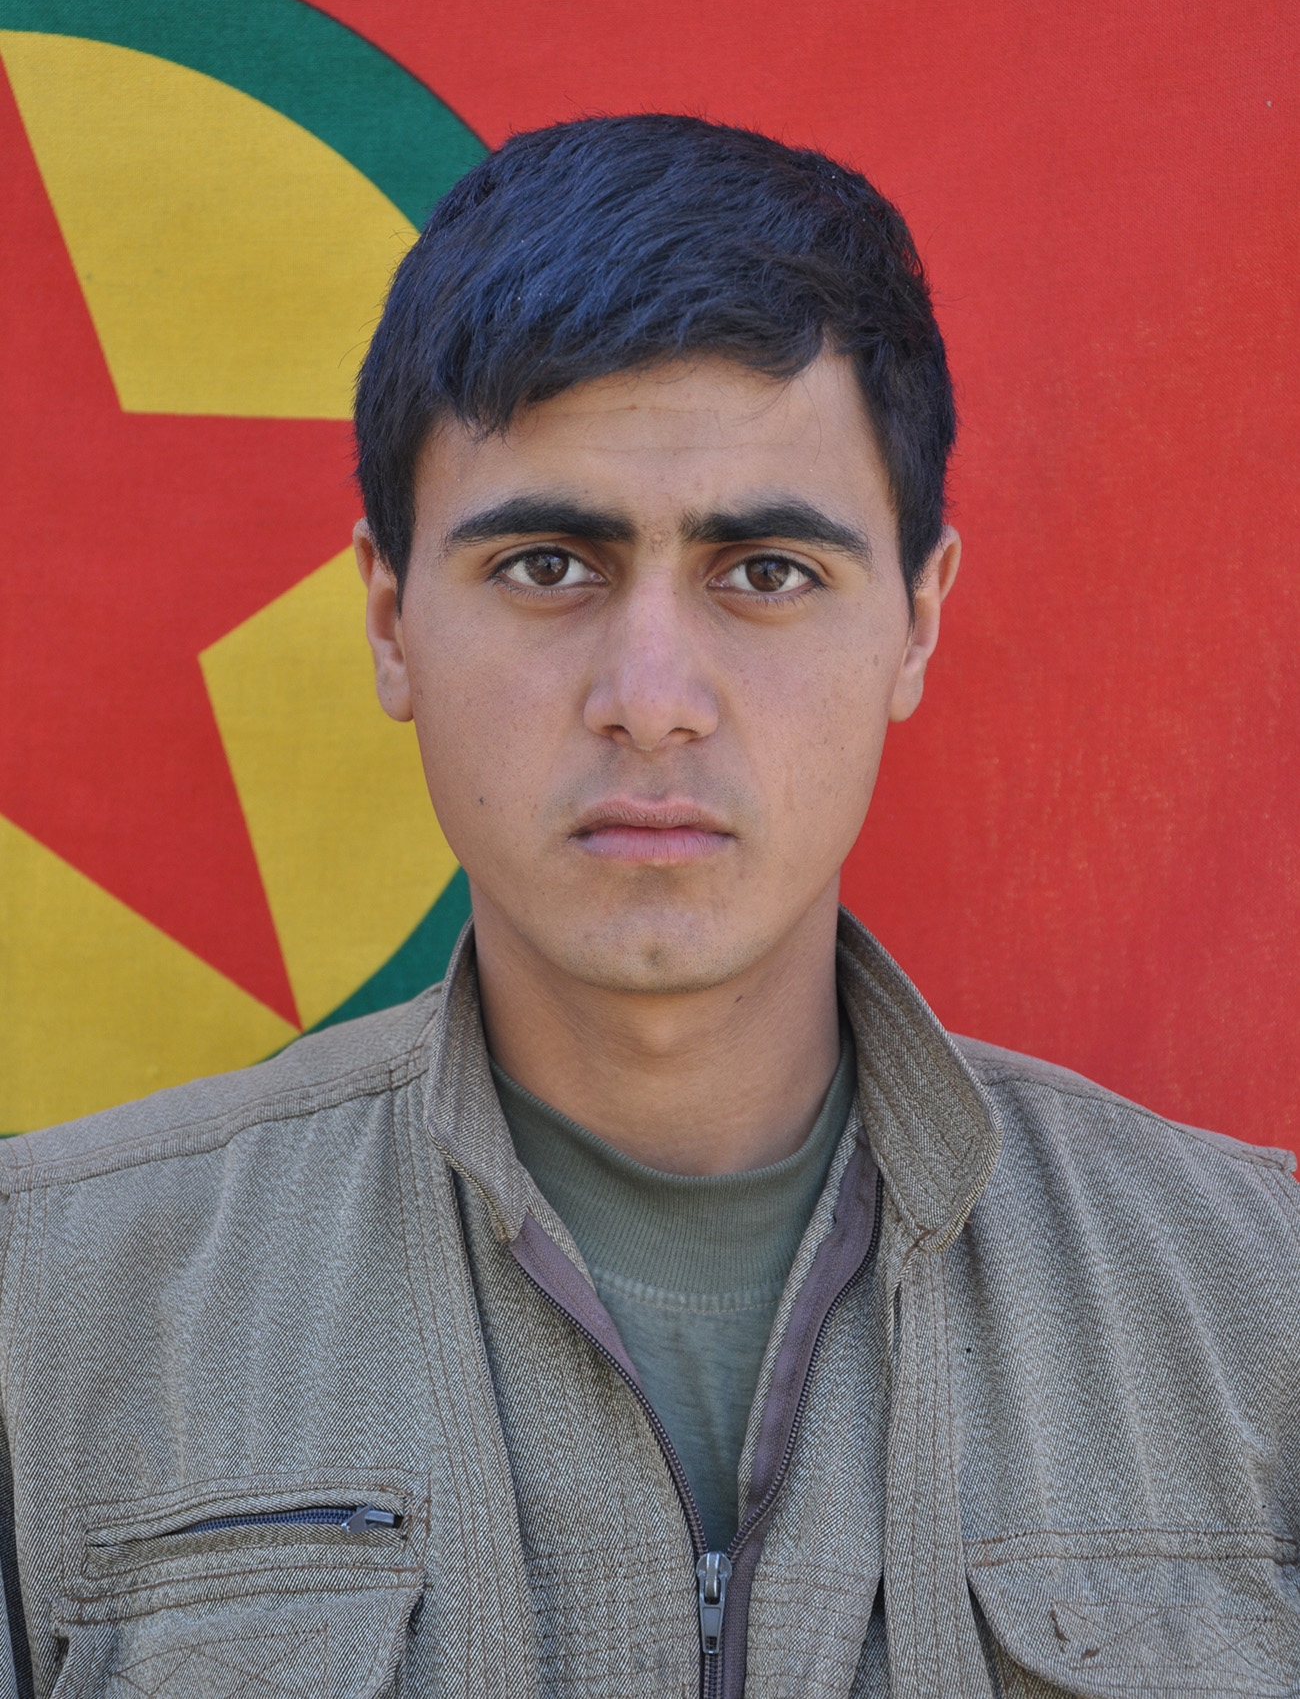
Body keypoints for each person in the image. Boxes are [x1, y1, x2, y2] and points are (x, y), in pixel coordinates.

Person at [1, 115, 1296, 1699]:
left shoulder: (1259, 1308)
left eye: (767, 571)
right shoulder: (44, 1319)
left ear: (916, 621)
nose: (653, 697)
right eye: (550, 566)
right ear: (392, 621)